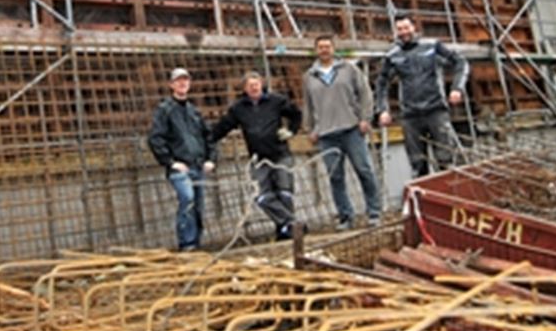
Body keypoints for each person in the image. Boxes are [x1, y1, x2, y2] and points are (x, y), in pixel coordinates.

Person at [375, 13, 470, 179]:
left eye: (406, 27)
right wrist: (383, 109)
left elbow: (460, 62)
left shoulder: (432, 47)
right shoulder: (393, 56)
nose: (404, 32)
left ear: (414, 27)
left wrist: (457, 88)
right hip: (410, 116)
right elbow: (381, 83)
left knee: (446, 160)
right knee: (417, 165)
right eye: (399, 29)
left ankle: (450, 193)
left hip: (436, 110)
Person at [210, 71, 303, 241]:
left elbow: (296, 114)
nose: (254, 87)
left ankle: (285, 230)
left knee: (285, 193)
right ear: (244, 88)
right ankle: (293, 223)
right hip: (258, 158)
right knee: (261, 196)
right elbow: (223, 127)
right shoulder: (238, 109)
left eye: (256, 84)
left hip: (280, 154)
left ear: (261, 84)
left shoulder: (276, 101)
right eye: (250, 85)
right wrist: (206, 139)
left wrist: (291, 130)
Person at [302, 35, 381, 229]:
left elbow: (365, 94)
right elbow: (308, 104)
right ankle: (345, 216)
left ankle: (374, 212)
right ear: (316, 50)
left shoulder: (349, 69)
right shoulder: (309, 76)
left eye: (327, 46)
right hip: (326, 134)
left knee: (364, 170)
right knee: (335, 177)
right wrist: (310, 129)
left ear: (334, 49)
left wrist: (365, 118)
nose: (324, 50)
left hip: (351, 129)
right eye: (320, 47)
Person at [147, 67, 216, 251]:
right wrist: (170, 162)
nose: (182, 83)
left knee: (198, 205)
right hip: (180, 167)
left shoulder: (194, 111)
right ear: (171, 85)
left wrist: (210, 159)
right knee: (188, 199)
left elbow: (208, 136)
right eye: (178, 80)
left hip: (198, 165)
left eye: (185, 80)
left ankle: (196, 243)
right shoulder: (165, 110)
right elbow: (155, 138)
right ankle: (187, 243)